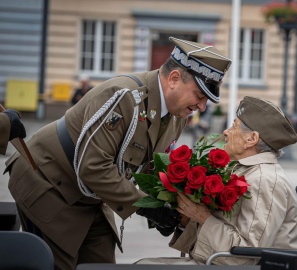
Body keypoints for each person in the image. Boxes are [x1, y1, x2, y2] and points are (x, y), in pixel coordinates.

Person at [4, 37, 231, 270]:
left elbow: (151, 168)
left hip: (91, 195)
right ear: (174, 79)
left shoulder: (176, 116)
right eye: (199, 96)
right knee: (57, 264)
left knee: (101, 265)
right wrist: (148, 208)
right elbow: (94, 167)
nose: (202, 107)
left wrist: (168, 209)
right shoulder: (124, 97)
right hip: (48, 181)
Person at [136, 96, 297, 265]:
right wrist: (185, 219)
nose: (226, 132)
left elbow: (246, 256)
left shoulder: (265, 180)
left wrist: (202, 217)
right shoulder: (246, 170)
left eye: (234, 126)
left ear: (251, 139)